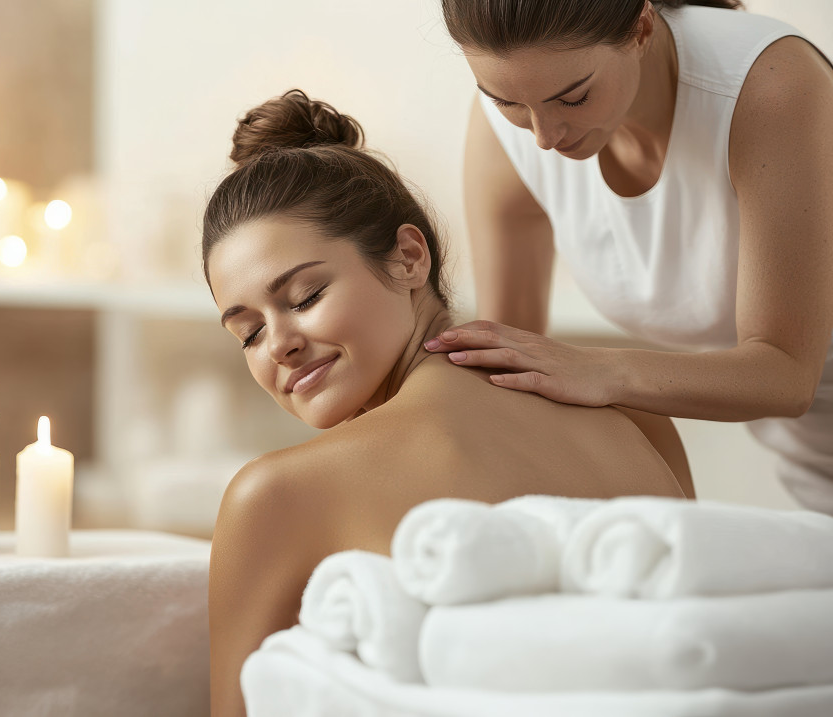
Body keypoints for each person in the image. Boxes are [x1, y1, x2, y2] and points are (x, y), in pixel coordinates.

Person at [203, 89, 690, 717]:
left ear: (409, 257)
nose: (281, 346)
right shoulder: (634, 414)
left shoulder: (275, 495)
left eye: (303, 296)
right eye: (249, 333)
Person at [428, 0, 833, 512]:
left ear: (641, 26)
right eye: (505, 101)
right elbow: (509, 356)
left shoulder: (771, 85)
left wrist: (602, 372)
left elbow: (788, 374)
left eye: (573, 99)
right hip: (806, 456)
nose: (544, 137)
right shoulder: (514, 125)